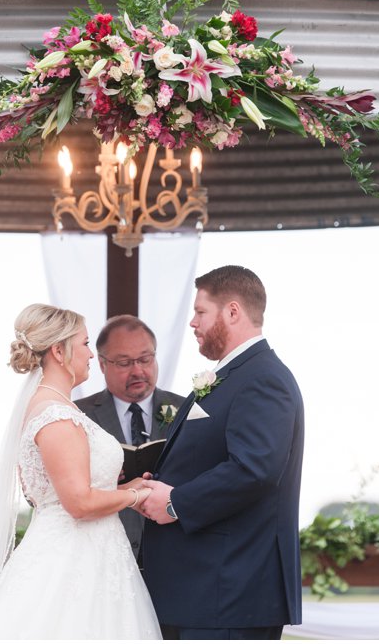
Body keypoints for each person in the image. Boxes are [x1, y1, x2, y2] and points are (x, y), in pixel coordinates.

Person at [0, 304, 160, 639]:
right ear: (59, 351)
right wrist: (135, 495)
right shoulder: (56, 416)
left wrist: (123, 489)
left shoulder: (56, 407)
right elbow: (78, 503)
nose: (91, 355)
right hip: (73, 561)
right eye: (85, 344)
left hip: (93, 553)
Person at [139, 266, 304, 640]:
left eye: (200, 312)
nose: (192, 323)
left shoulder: (263, 378)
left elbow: (255, 469)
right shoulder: (235, 375)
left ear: (232, 312)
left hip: (229, 595)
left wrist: (175, 501)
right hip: (203, 592)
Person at [75, 315, 186, 559]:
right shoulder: (77, 415)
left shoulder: (187, 410)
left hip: (176, 553)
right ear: (102, 364)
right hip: (102, 555)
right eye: (124, 363)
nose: (138, 370)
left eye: (145, 359)